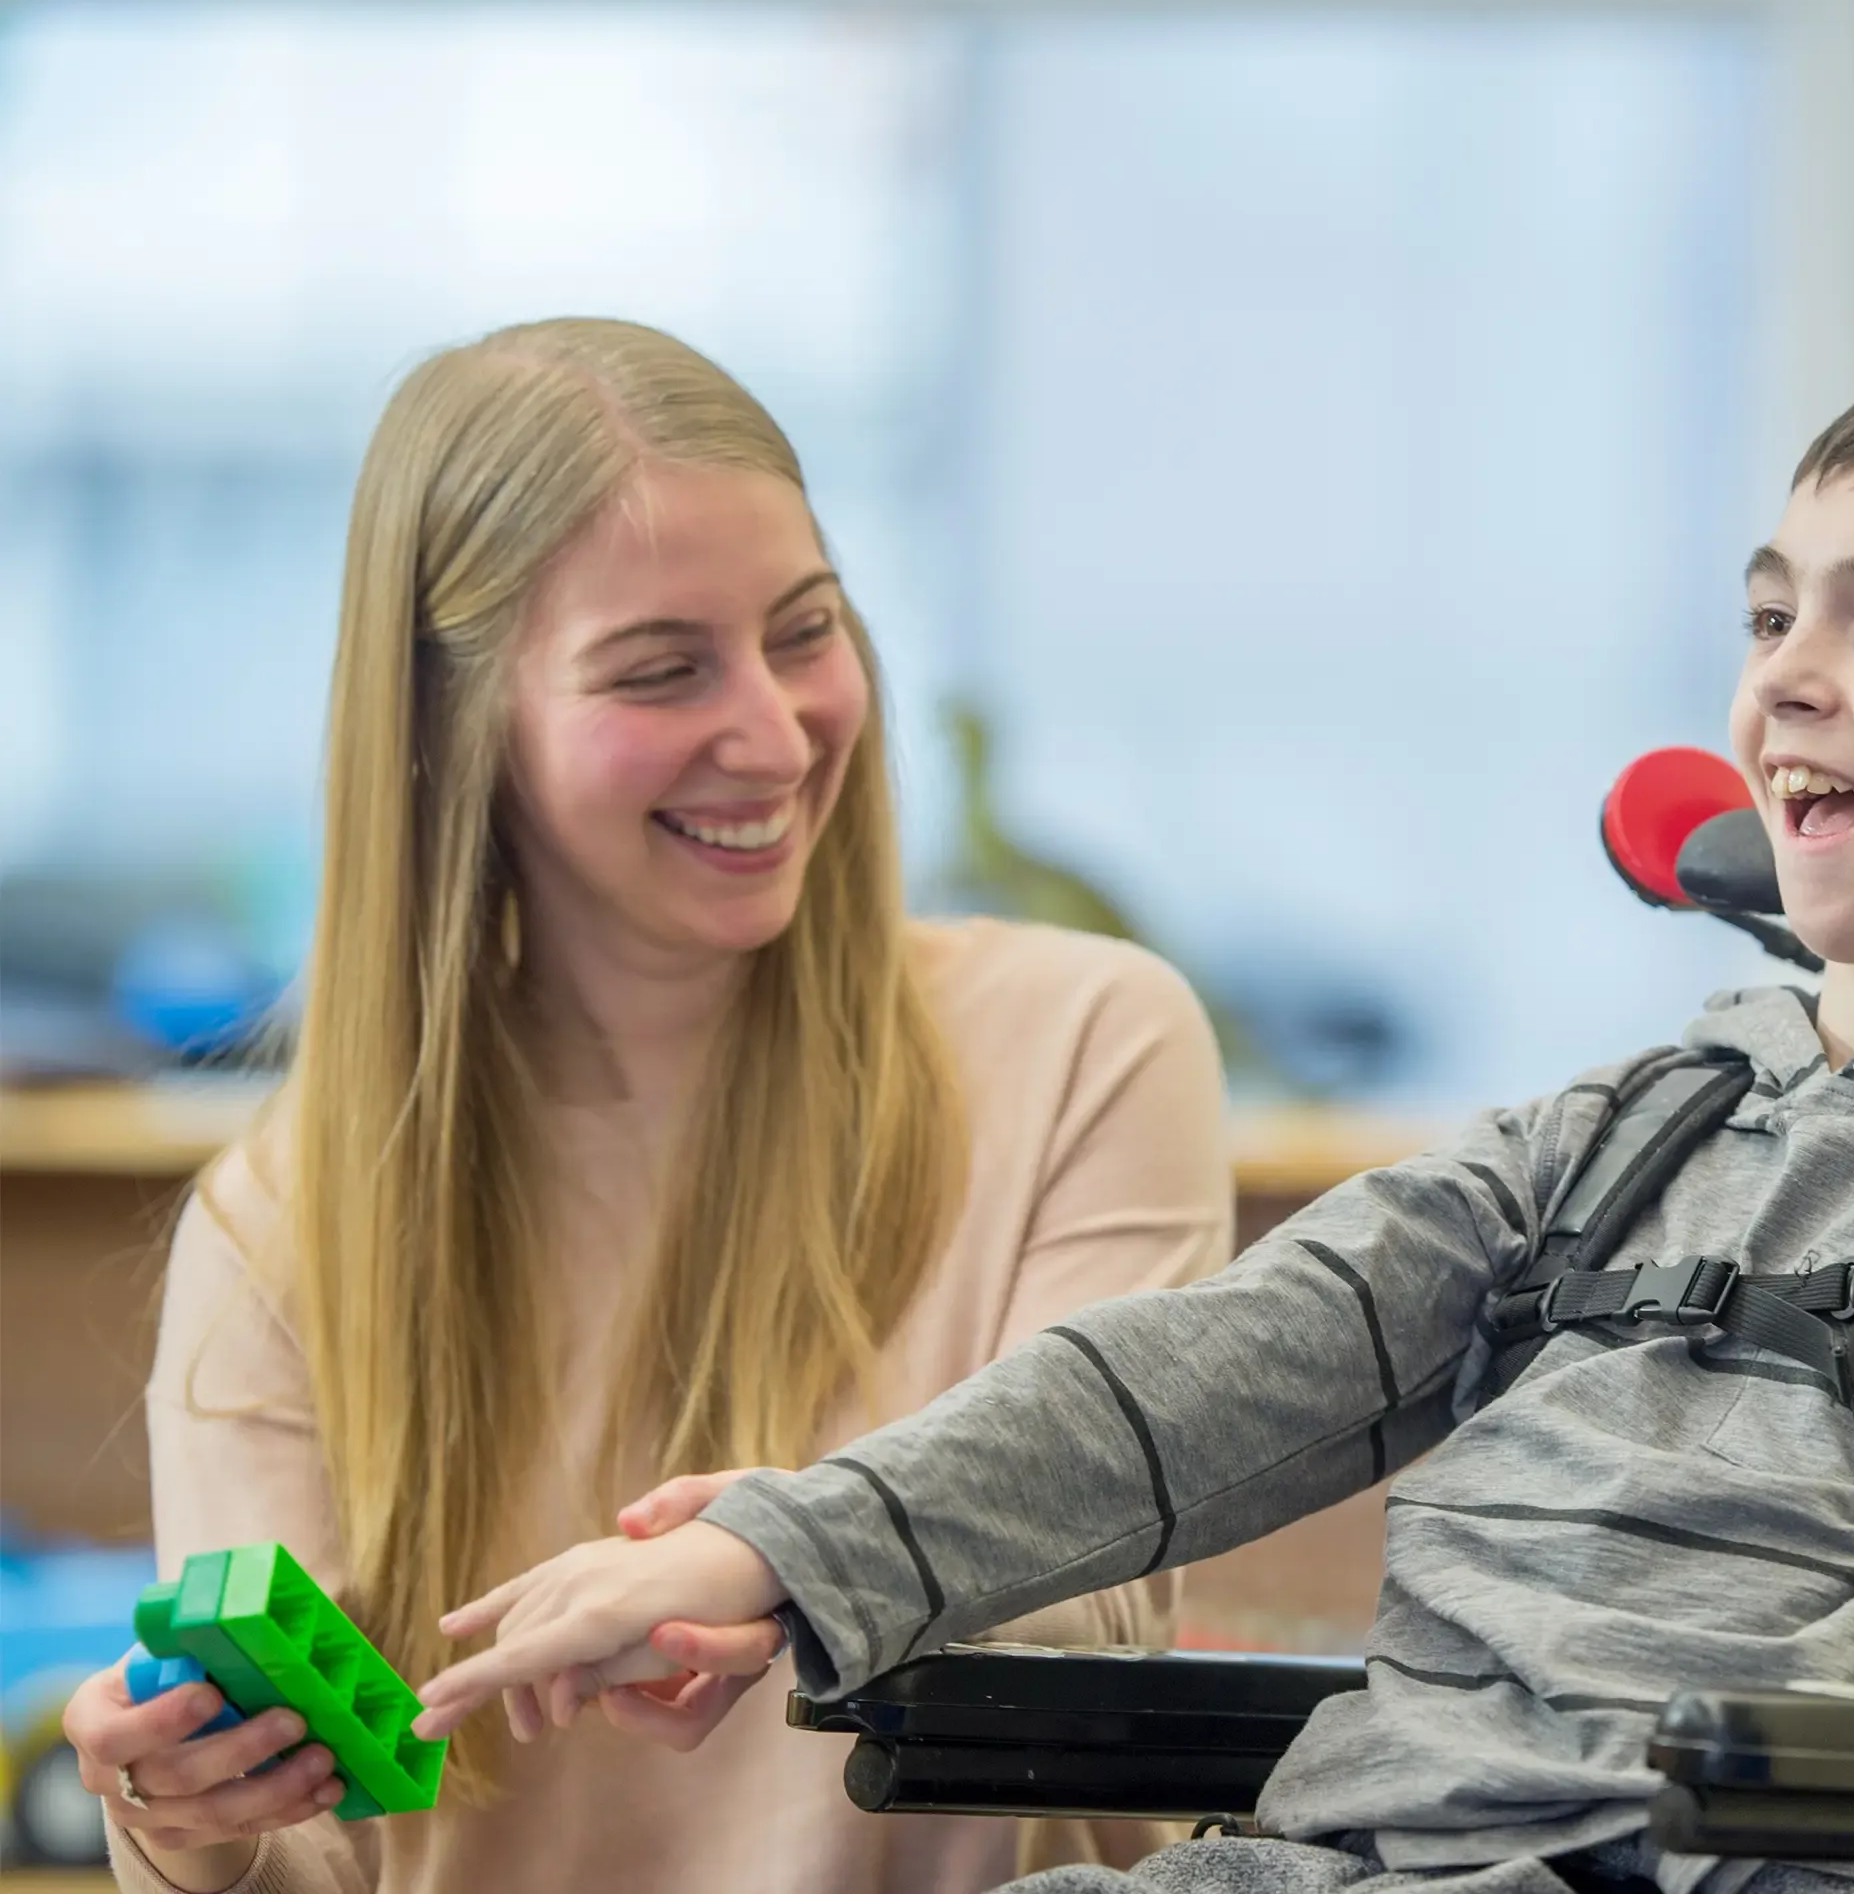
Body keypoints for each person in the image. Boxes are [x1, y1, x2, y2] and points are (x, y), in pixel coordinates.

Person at [411, 367, 1854, 1894]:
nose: (1786, 676)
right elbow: (1208, 1378)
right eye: (1769, 612)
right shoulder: (1638, 1126)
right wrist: (773, 1551)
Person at [59, 318, 1233, 1894]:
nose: (772, 732)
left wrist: (795, 1559)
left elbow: (1099, 1608)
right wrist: (188, 1820)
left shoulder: (1090, 1044)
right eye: (662, 670)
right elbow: (309, 1859)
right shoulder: (281, 1228)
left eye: (804, 631)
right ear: (457, 728)